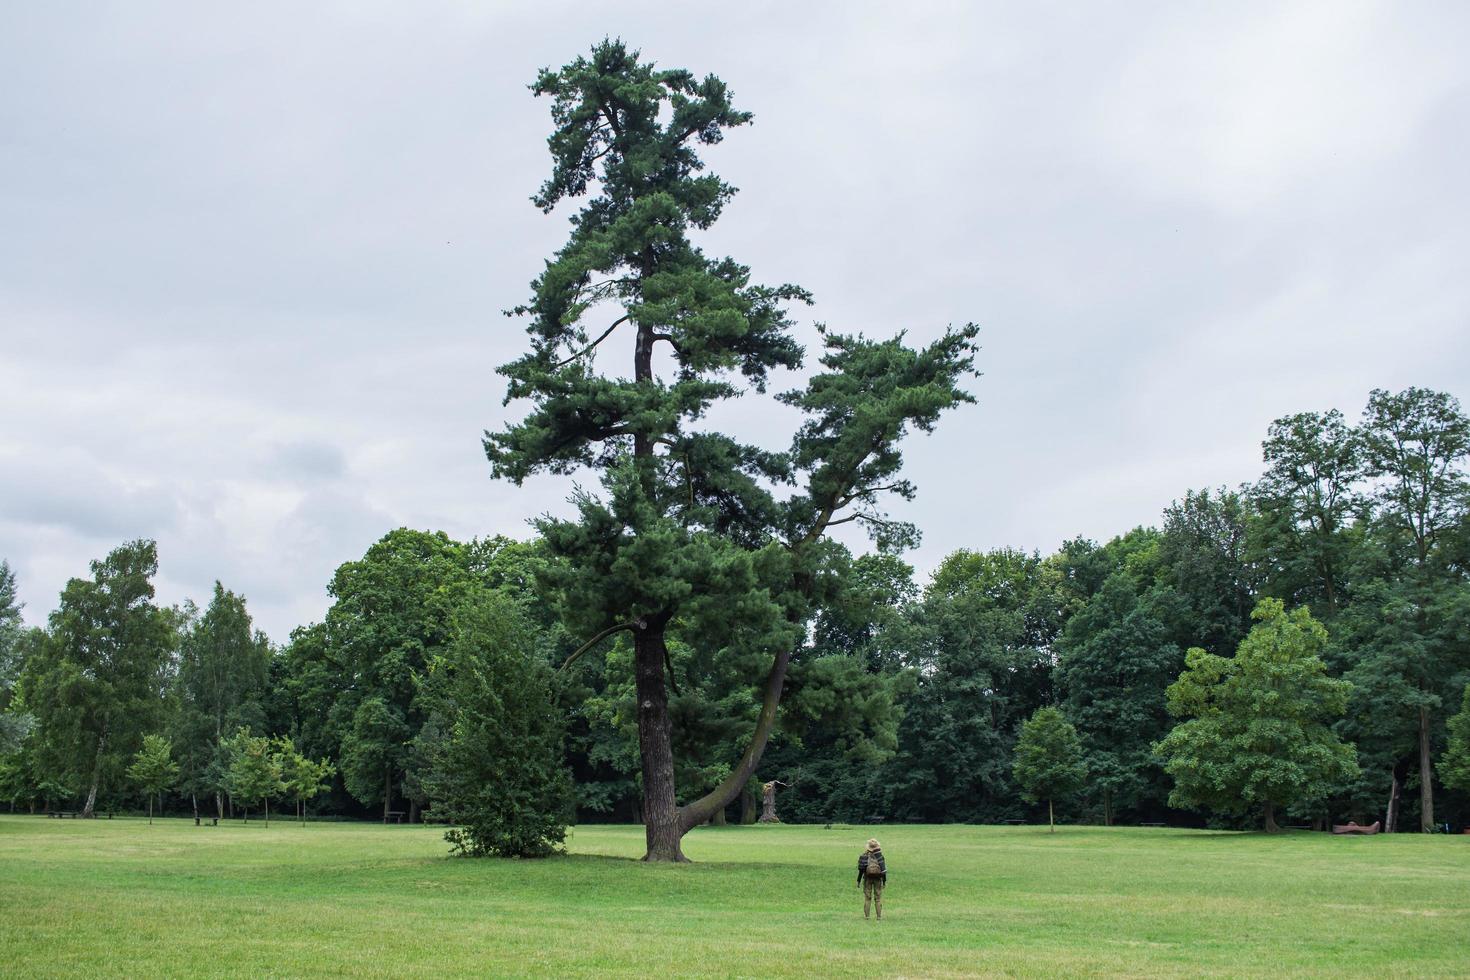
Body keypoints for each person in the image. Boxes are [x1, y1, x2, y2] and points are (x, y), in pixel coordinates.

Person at [857, 838, 887, 920]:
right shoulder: (880, 856)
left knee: (867, 898)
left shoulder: (864, 856)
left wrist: (858, 880)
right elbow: (884, 870)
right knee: (878, 899)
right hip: (878, 879)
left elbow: (861, 870)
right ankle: (879, 917)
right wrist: (884, 881)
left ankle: (867, 917)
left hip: (867, 879)